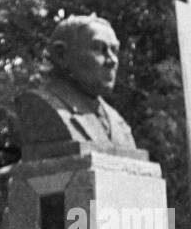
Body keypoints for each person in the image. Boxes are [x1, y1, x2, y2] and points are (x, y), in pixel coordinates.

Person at [12, 14, 138, 158]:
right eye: (98, 49)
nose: (112, 60)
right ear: (62, 55)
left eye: (114, 50)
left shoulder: (118, 121)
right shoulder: (39, 104)